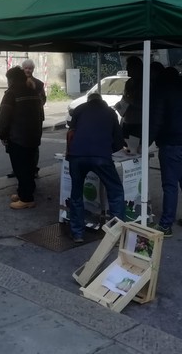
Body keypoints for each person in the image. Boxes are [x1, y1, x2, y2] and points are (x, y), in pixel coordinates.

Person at [66, 92, 125, 244]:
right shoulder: (110, 112)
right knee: (116, 191)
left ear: (89, 100)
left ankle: (77, 233)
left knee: (76, 194)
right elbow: (119, 140)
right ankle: (116, 234)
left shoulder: (79, 109)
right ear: (102, 101)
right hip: (101, 157)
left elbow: (71, 133)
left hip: (77, 156)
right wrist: (107, 149)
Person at [148, 66, 182, 237]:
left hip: (173, 142)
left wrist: (144, 143)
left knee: (170, 185)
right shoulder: (181, 88)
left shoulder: (161, 91)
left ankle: (165, 225)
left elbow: (156, 120)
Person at [0, 66, 43, 209]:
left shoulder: (11, 93)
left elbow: (4, 116)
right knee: (29, 166)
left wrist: (3, 134)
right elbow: (40, 113)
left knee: (20, 168)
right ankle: (25, 191)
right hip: (33, 135)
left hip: (18, 137)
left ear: (11, 79)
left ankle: (26, 199)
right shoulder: (33, 90)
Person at [7, 58, 46, 179]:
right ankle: (17, 169)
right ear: (23, 69)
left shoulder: (38, 84)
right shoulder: (17, 84)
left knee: (33, 145)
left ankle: (33, 169)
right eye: (26, 68)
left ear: (33, 69)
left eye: (30, 68)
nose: (28, 70)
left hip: (35, 118)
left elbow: (43, 99)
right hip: (20, 119)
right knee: (17, 145)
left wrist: (33, 108)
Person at [116, 55, 143, 152]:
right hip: (127, 120)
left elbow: (145, 105)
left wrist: (130, 101)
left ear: (137, 68)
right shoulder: (129, 82)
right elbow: (125, 97)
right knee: (126, 149)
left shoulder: (144, 83)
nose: (127, 69)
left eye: (129, 67)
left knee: (136, 151)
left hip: (138, 123)